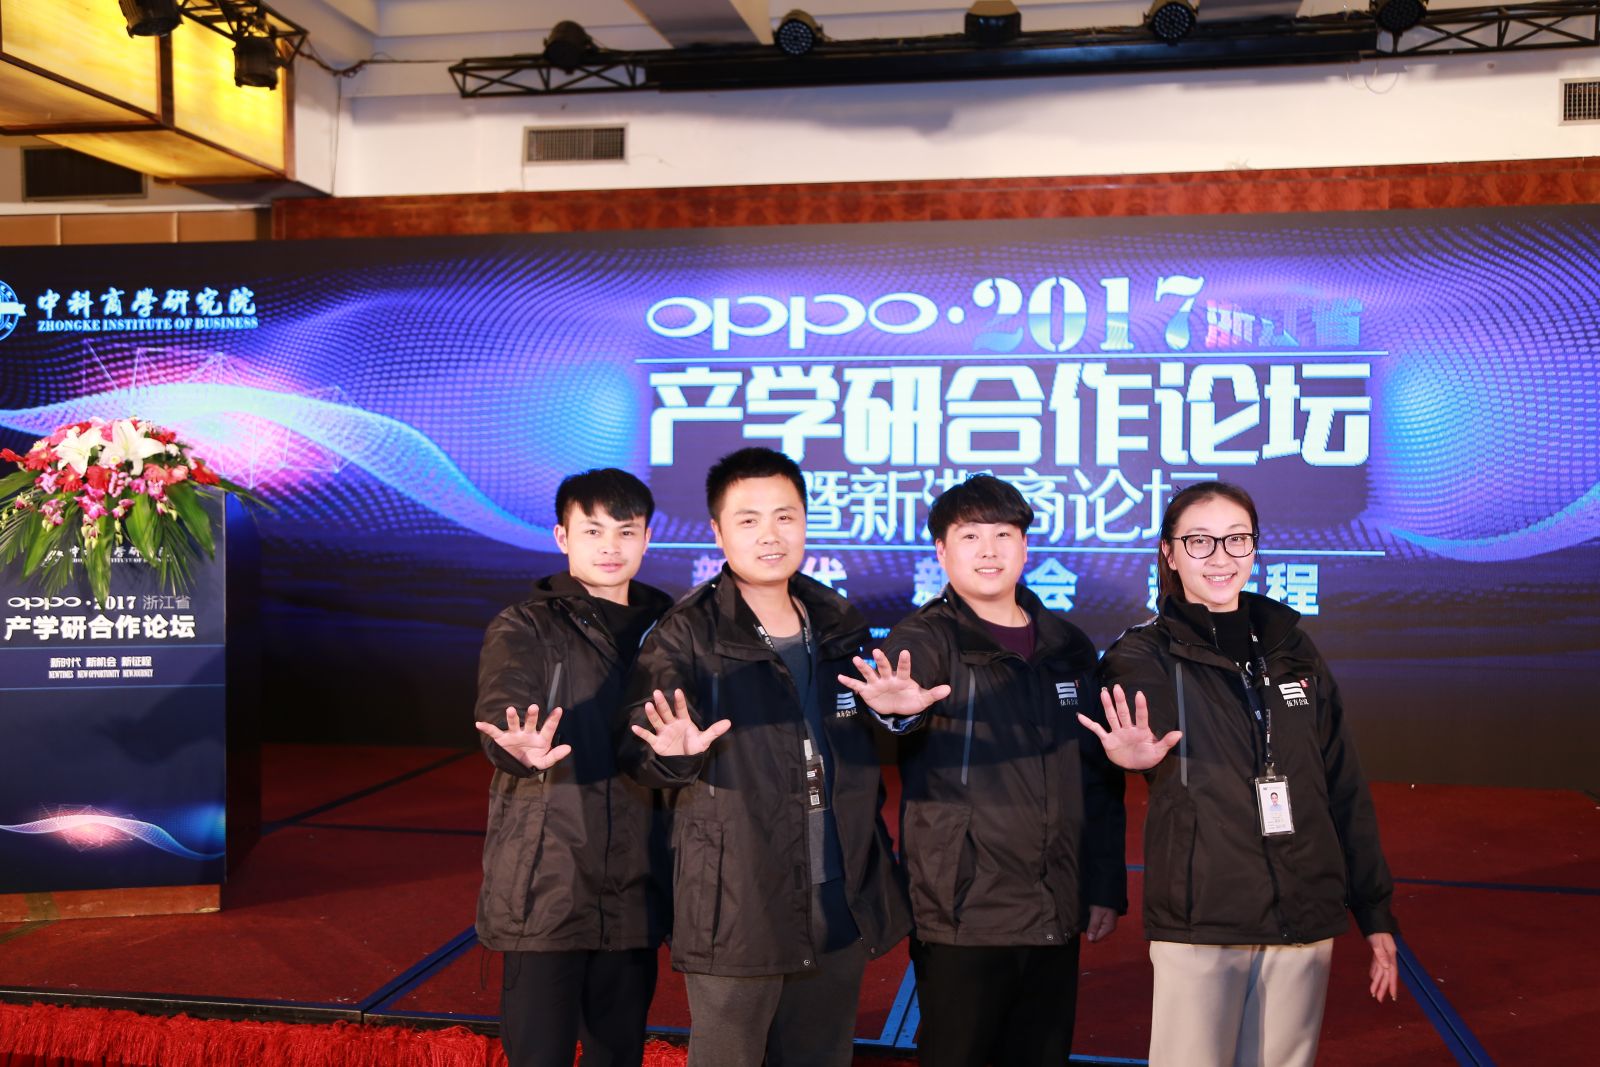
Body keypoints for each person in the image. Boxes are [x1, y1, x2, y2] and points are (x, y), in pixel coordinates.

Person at [1078, 480, 1399, 1067]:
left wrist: (1373, 910)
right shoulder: (1142, 654)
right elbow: (1136, 716)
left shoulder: (1293, 649)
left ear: (1254, 547)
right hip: (1204, 914)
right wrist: (1133, 751)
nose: (1220, 556)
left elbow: (1342, 784)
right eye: (1199, 541)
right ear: (1169, 552)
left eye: (1236, 539)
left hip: (1303, 911)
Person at [622, 446, 910, 1067]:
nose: (770, 535)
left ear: (805, 521)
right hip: (740, 900)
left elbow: (857, 752)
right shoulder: (685, 633)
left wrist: (894, 717)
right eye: (748, 520)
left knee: (822, 1055)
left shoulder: (837, 622)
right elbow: (644, 752)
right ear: (718, 532)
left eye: (785, 517)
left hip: (838, 889)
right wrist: (672, 757)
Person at [838, 473, 1128, 1066]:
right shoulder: (923, 639)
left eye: (1003, 534)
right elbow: (891, 718)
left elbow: (1097, 778)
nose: (989, 550)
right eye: (970, 536)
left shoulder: (1067, 646)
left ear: (1025, 546)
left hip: (1057, 902)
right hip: (962, 909)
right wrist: (894, 715)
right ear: (941, 551)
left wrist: (1103, 885)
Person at [473, 468, 673, 1067]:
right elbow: (505, 703)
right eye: (592, 530)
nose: (610, 546)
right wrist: (515, 744)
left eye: (625, 531)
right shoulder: (525, 625)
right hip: (546, 884)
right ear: (562, 537)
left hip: (637, 886)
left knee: (619, 1054)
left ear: (647, 538)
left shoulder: (673, 632)